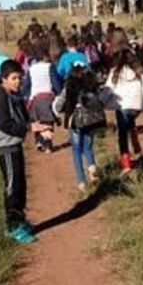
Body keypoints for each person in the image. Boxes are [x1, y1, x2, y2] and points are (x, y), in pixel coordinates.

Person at [0, 59, 37, 244]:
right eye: (14, 78)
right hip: (5, 146)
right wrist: (27, 129)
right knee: (12, 186)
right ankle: (12, 226)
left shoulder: (14, 96)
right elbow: (4, 123)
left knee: (20, 183)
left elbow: (23, 118)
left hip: (15, 144)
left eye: (19, 78)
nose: (18, 81)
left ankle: (20, 220)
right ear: (4, 79)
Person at [106, 48, 143, 174]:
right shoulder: (139, 71)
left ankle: (126, 164)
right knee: (129, 121)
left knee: (122, 134)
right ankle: (135, 140)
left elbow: (107, 89)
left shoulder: (114, 72)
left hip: (121, 105)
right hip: (136, 105)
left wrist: (101, 103)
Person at [53, 64, 103, 192]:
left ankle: (81, 181)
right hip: (91, 121)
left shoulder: (68, 89)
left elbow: (58, 106)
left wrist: (61, 111)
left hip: (75, 121)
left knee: (76, 150)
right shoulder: (91, 89)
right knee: (88, 146)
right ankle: (92, 167)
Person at [26, 47, 59, 153]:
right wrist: (59, 93)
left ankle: (39, 140)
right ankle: (48, 145)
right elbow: (55, 83)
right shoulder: (49, 67)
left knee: (38, 121)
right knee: (49, 121)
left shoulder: (31, 69)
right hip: (48, 97)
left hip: (35, 99)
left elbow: (27, 85)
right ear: (45, 56)